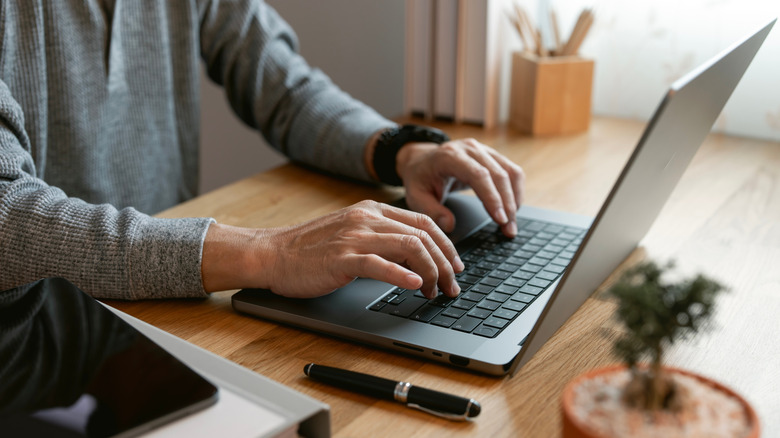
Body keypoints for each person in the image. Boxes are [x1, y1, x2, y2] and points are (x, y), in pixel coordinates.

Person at [0, 0, 524, 302]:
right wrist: (269, 252)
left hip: (169, 307)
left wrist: (401, 150)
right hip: (29, 329)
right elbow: (7, 218)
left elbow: (284, 86)